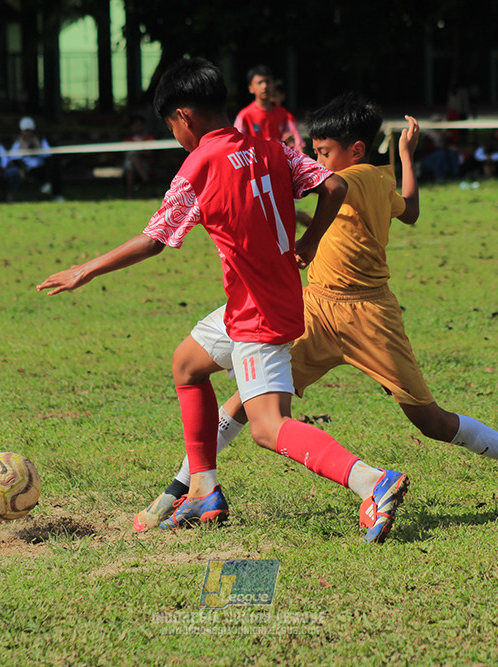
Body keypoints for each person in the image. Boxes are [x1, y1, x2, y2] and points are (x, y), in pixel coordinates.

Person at [134, 93, 498, 533]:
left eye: (322, 153)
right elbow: (409, 211)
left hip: (370, 319)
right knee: (249, 402)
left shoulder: (356, 179)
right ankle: (181, 491)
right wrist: (404, 158)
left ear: (355, 151)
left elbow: (333, 191)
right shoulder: (378, 179)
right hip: (315, 311)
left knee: (431, 421)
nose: (314, 159)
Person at [37, 58, 408, 544]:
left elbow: (154, 239)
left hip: (257, 312)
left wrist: (84, 269)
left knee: (268, 428)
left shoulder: (200, 164)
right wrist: (311, 240)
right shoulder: (267, 146)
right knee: (187, 365)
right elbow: (333, 185)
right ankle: (203, 488)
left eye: (170, 124)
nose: (174, 134)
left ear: (184, 116)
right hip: (266, 298)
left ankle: (371, 482)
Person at [233, 65, 305, 152]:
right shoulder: (244, 115)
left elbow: (299, 146)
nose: (264, 86)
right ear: (251, 88)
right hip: (256, 164)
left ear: (274, 85)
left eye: (268, 82)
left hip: (279, 163)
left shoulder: (285, 115)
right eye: (260, 82)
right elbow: (235, 146)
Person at [9, 117, 63, 202]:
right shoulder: (18, 142)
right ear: (21, 131)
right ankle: (49, 186)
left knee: (54, 165)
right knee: (51, 170)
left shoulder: (40, 140)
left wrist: (37, 150)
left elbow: (48, 154)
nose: (27, 133)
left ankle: (55, 193)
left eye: (29, 130)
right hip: (28, 169)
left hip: (42, 166)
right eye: (25, 130)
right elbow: (13, 157)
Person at [123, 113, 154, 197]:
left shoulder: (149, 138)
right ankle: (145, 178)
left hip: (146, 164)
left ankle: (129, 193)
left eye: (139, 125)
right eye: (135, 125)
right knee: (130, 161)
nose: (138, 127)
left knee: (131, 158)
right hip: (131, 165)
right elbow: (125, 153)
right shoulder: (128, 140)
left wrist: (137, 153)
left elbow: (150, 153)